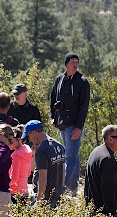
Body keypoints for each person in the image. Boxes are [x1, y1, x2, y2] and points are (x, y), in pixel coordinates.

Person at [50, 52, 90, 196]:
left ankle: (62, 189)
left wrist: (79, 127)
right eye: (72, 61)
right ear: (66, 63)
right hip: (62, 122)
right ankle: (73, 190)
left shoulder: (82, 81)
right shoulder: (60, 79)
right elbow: (53, 97)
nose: (75, 64)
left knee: (70, 156)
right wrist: (53, 117)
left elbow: (84, 106)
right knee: (74, 155)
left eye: (77, 62)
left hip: (74, 123)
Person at [22, 120, 65, 208]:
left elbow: (43, 177)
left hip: (46, 197)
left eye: (28, 136)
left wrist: (39, 200)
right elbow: (63, 172)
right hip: (57, 195)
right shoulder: (59, 146)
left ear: (33, 133)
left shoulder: (42, 150)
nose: (29, 140)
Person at [84, 125, 117, 216]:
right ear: (110, 139)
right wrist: (111, 213)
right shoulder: (107, 159)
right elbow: (108, 190)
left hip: (93, 210)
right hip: (103, 214)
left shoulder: (97, 151)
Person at [9, 125, 33, 204]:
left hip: (14, 191)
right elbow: (28, 172)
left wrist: (6, 186)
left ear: (19, 140)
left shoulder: (16, 156)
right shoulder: (27, 151)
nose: (9, 144)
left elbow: (14, 178)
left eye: (11, 142)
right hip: (24, 189)